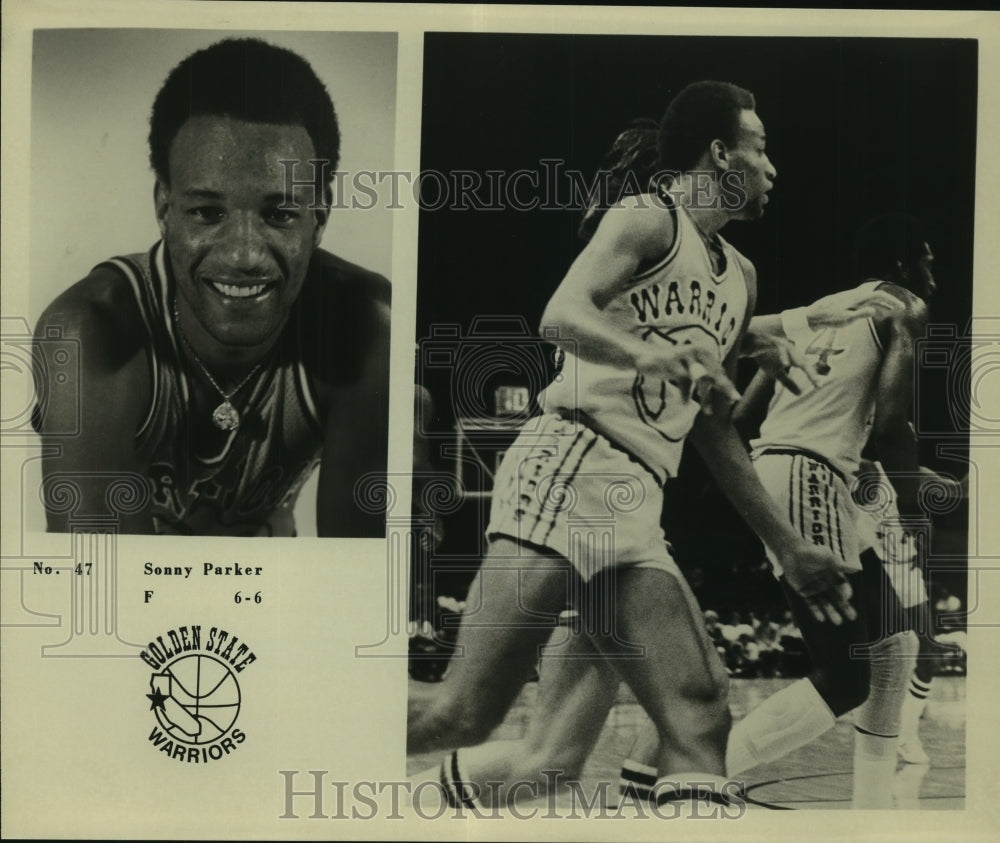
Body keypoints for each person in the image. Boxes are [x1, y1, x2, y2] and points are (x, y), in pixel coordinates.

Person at [408, 81, 869, 810]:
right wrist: (646, 356)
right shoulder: (647, 218)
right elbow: (560, 314)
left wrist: (786, 544)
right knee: (460, 712)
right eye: (761, 147)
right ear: (721, 153)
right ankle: (305, 723)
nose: (773, 167)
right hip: (571, 461)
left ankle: (421, 806)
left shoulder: (740, 277)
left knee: (683, 716)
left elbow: (714, 427)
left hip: (634, 503)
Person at [618, 212, 939, 809]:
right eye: (927, 262)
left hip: (794, 470)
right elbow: (894, 425)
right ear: (901, 266)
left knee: (895, 641)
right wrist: (916, 496)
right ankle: (682, 776)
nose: (933, 277)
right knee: (845, 677)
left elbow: (741, 419)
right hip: (811, 476)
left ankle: (873, 810)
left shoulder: (820, 309)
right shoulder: (906, 308)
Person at [32, 38, 390, 537]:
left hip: (276, 601)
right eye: (208, 212)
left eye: (279, 214)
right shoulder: (89, 330)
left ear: (319, 215)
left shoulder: (367, 325)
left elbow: (354, 583)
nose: (243, 255)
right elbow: (96, 593)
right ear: (164, 208)